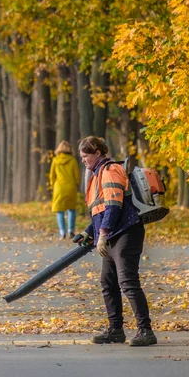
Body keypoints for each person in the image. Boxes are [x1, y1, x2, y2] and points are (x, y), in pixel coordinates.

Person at [73, 136, 156, 347]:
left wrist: (102, 234)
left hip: (126, 233)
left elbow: (113, 206)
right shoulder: (97, 174)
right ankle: (116, 330)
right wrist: (88, 231)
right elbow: (100, 211)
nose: (83, 160)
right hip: (112, 234)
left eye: (85, 156)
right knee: (108, 283)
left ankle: (146, 331)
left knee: (127, 282)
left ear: (98, 153)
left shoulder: (109, 171)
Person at [49, 141, 81, 239]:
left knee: (60, 211)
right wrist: (77, 184)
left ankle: (62, 232)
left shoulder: (55, 160)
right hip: (71, 187)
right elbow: (77, 176)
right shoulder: (73, 160)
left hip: (59, 188)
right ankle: (71, 230)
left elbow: (52, 176)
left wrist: (53, 185)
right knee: (71, 210)